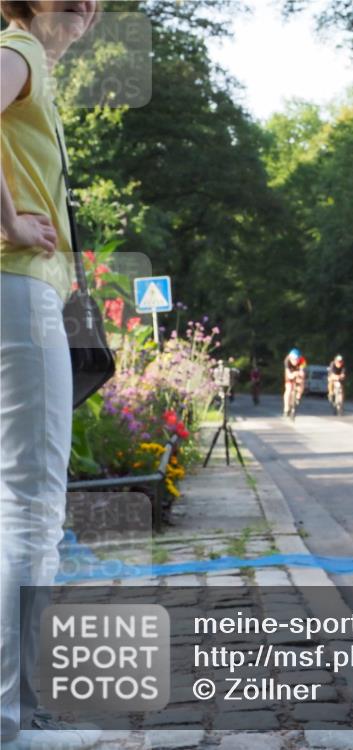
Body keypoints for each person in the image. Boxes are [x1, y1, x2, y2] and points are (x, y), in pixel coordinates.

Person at [1, 3, 105, 748]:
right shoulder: (19, 51)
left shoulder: (24, 60)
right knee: (33, 505)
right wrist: (9, 223)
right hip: (18, 286)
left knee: (15, 504)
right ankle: (11, 720)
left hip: (20, 288)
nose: (88, 5)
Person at [283, 348, 307, 417]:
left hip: (298, 371)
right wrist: (292, 375)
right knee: (288, 389)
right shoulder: (287, 360)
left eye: (296, 359)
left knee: (302, 381)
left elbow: (302, 372)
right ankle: (286, 408)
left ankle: (298, 397)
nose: (295, 361)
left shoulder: (302, 360)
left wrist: (300, 375)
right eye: (293, 359)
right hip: (290, 373)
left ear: (299, 358)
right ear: (290, 358)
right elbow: (288, 375)